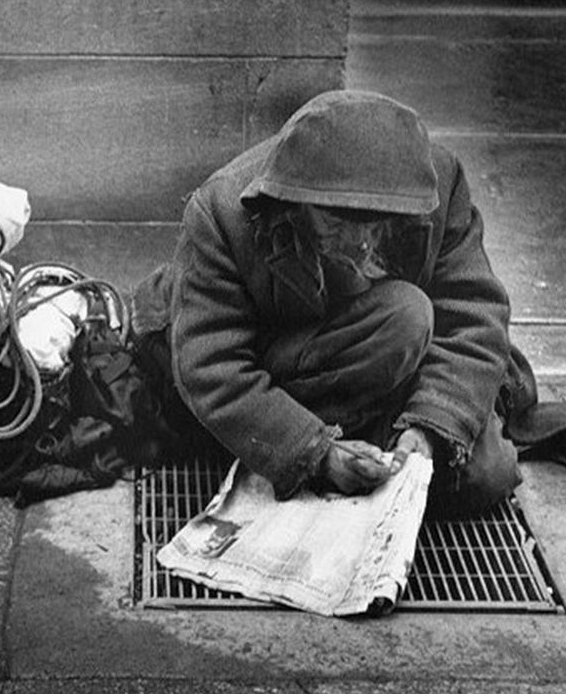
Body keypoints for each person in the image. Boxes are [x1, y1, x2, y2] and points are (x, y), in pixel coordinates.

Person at [130, 89, 525, 519]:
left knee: (485, 474)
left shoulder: (438, 184)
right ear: (295, 205)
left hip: (375, 357)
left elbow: (473, 318)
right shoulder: (221, 212)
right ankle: (309, 442)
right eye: (336, 222)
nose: (360, 244)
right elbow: (212, 367)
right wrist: (316, 453)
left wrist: (428, 429)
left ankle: (371, 433)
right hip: (277, 365)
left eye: (377, 225)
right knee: (407, 318)